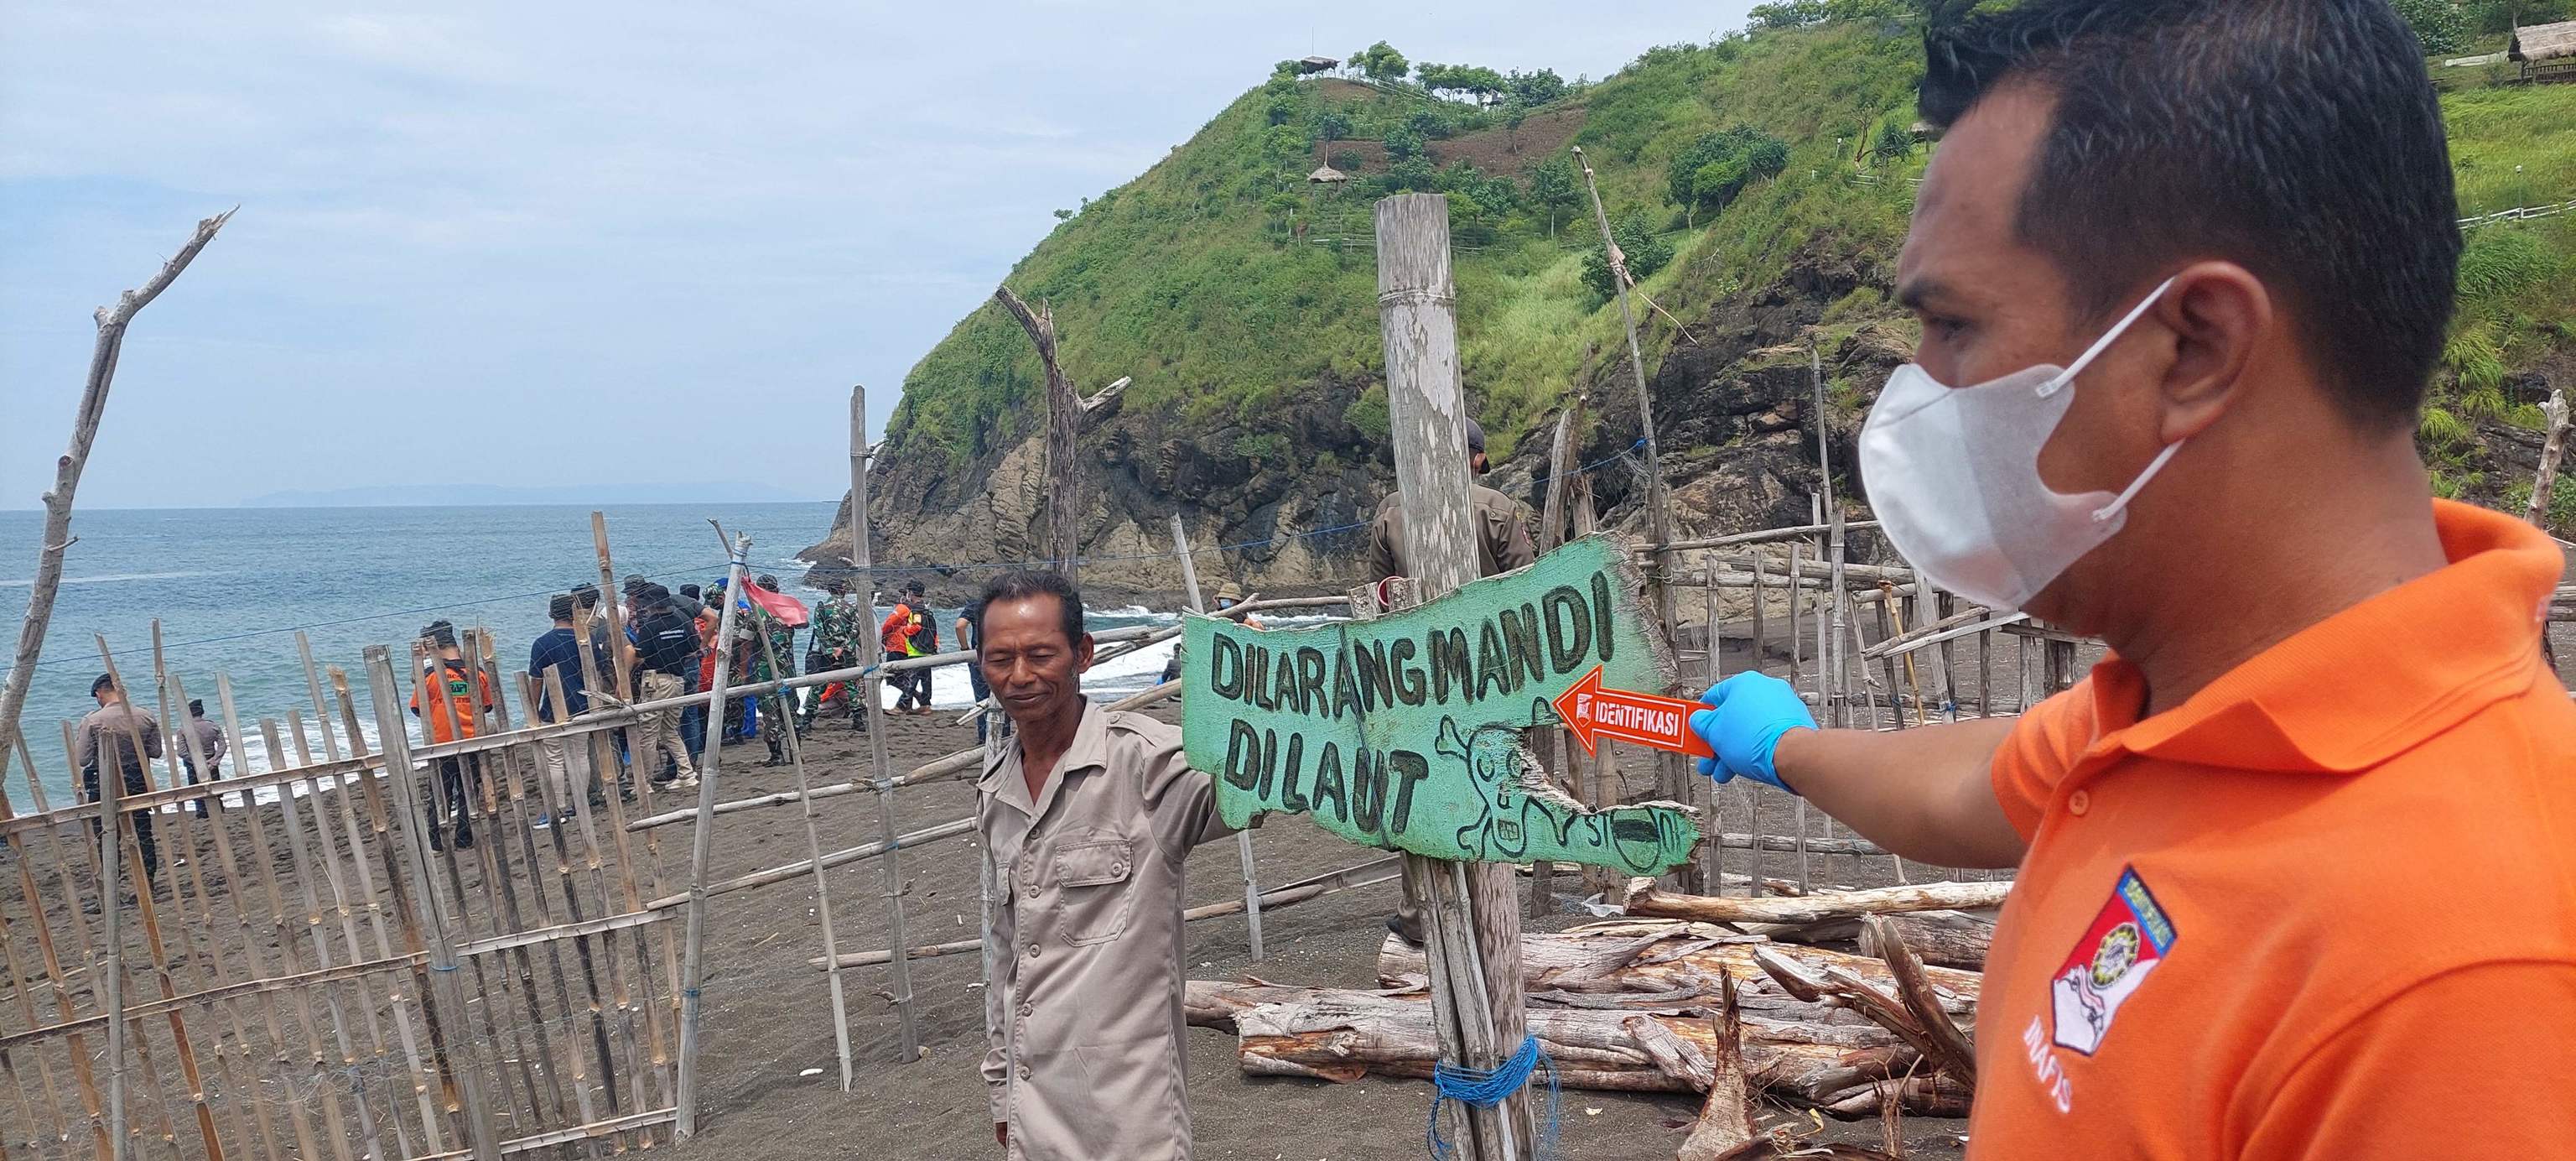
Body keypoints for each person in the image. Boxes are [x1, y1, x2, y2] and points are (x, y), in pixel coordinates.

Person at [1687, 3, 2576, 1156]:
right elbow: (1973, 785)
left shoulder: (2469, 980)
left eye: (1953, 325)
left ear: (2194, 347)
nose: (1916, 391)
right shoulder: (2191, 717)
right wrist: (1785, 747)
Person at [975, 570, 1235, 1159]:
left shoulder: (1148, 764)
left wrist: (1261, 685)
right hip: (1033, 1110)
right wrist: (1000, 1088)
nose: (1019, 676)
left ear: (1083, 654)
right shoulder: (998, 793)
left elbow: (1256, 781)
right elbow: (1004, 953)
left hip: (1130, 1119)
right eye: (1000, 659)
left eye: (1041, 654)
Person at [1364, 417, 1535, 945]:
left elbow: (1378, 599)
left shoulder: (1391, 511)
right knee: (1491, 777)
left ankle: (1419, 911)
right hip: (1489, 669)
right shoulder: (1496, 508)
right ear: (1478, 457)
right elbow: (1524, 587)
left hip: (1414, 672)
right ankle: (1493, 908)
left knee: (1418, 781)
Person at [1364, 419, 1536, 586]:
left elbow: (1381, 591)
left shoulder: (1388, 510)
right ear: (1478, 460)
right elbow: (1525, 579)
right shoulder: (1499, 506)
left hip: (1419, 614)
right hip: (1486, 613)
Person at [409, 620, 495, 851]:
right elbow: (487, 707)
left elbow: (417, 709)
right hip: (472, 743)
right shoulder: (477, 674)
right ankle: (465, 838)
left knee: (440, 792)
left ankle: (437, 840)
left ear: (432, 647)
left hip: (441, 744)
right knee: (468, 790)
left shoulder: (430, 677)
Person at [75, 674, 162, 890]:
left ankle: (112, 886)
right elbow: (156, 752)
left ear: (99, 693)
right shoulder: (146, 716)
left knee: (106, 836)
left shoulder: (92, 720)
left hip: (104, 783)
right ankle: (148, 883)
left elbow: (82, 759)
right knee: (143, 832)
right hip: (137, 779)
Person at [621, 585, 701, 790]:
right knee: (670, 730)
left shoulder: (651, 626)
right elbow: (693, 646)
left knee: (647, 732)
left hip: (654, 679)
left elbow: (642, 653)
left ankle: (644, 782)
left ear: (650, 605)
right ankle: (686, 773)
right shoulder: (683, 620)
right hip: (678, 677)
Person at [529, 594, 590, 824]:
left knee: (554, 758)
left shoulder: (543, 643)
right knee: (580, 755)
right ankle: (579, 803)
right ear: (574, 614)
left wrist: (533, 710)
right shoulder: (587, 639)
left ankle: (558, 807)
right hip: (583, 705)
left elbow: (536, 680)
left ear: (551, 614)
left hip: (553, 708)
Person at [802, 576, 866, 731]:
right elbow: (855, 630)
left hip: (826, 654)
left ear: (829, 590)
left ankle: (807, 718)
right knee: (851, 685)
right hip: (847, 653)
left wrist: (830, 649)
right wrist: (843, 648)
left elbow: (819, 630)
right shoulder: (851, 608)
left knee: (818, 684)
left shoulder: (822, 607)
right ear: (842, 591)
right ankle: (858, 719)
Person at [882, 580, 933, 715]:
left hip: (903, 646)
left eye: (905, 593)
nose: (903, 596)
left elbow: (889, 624)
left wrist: (903, 632)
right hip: (924, 647)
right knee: (923, 677)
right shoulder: (925, 608)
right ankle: (924, 702)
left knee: (897, 677)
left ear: (910, 593)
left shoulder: (904, 609)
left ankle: (904, 703)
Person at [179, 698, 227, 818]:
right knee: (214, 787)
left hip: (192, 763)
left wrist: (196, 762)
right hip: (211, 760)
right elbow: (223, 746)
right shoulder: (213, 726)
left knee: (197, 789)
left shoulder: (183, 730)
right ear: (202, 712)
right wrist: (214, 761)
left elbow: (182, 752)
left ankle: (201, 811)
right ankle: (219, 808)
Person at [957, 592, 990, 742]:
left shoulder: (975, 604)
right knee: (1003, 698)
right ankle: (1004, 735)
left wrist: (965, 649)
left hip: (978, 656)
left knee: (982, 699)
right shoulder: (1001, 604)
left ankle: (984, 738)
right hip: (999, 655)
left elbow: (960, 626)